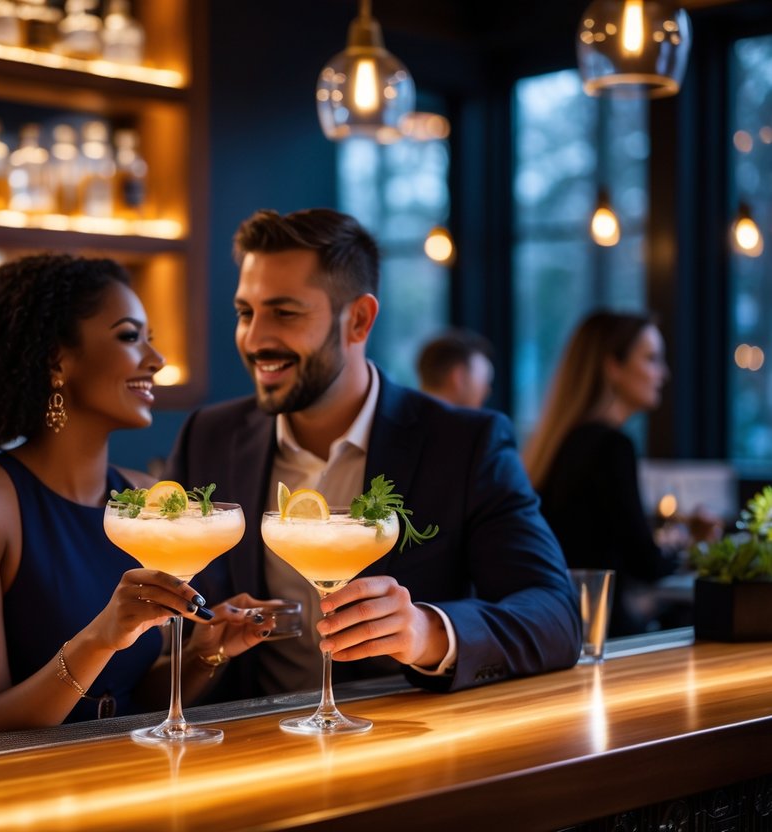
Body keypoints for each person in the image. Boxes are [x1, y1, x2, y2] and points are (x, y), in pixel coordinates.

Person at [165, 208, 581, 700]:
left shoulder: (464, 444)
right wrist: (204, 650)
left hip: (400, 742)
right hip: (243, 747)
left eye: (285, 312)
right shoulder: (209, 436)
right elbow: (178, 623)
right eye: (245, 313)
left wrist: (427, 632)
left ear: (358, 320)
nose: (255, 339)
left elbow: (555, 615)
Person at [0, 253, 270, 737]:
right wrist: (101, 637)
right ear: (56, 359)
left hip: (116, 772)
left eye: (151, 339)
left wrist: (209, 650)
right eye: (129, 337)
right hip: (5, 788)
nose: (157, 360)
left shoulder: (142, 500)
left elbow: (131, 704)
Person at [523, 310, 715, 636]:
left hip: (556, 628)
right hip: (599, 634)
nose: (663, 373)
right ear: (613, 366)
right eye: (651, 359)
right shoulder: (610, 447)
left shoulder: (559, 444)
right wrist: (697, 546)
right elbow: (646, 565)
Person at [416, 328, 495, 409]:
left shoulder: (405, 415)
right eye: (483, 381)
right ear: (458, 377)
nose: (487, 391)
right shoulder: (492, 420)